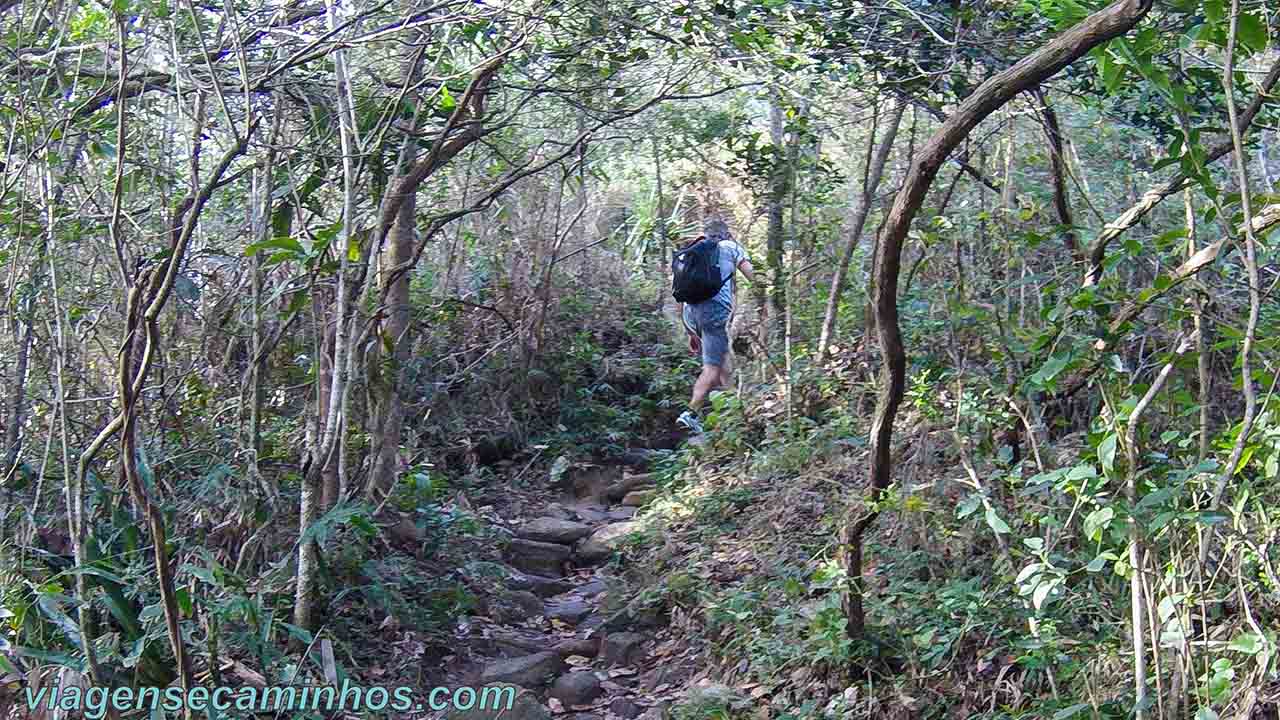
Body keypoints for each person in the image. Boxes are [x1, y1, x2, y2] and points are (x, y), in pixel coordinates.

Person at [674, 218, 754, 433]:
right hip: (715, 311)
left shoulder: (694, 250)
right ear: (727, 234)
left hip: (692, 313)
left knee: (721, 363)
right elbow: (754, 277)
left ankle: (732, 412)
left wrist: (690, 331)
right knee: (712, 367)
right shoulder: (731, 247)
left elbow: (680, 297)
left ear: (706, 234)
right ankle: (691, 413)